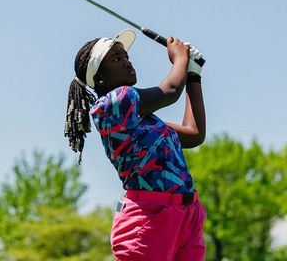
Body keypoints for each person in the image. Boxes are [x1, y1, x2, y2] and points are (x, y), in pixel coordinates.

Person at [65, 29, 207, 261]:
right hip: (148, 219)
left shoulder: (144, 120)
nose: (127, 62)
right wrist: (180, 58)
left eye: (126, 56)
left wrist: (193, 75)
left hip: (186, 215)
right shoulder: (113, 103)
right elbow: (170, 91)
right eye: (116, 59)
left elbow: (194, 134)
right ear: (99, 78)